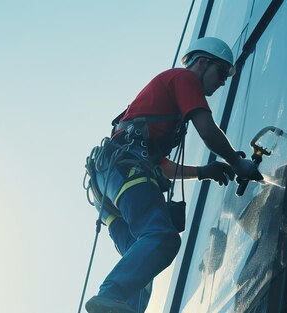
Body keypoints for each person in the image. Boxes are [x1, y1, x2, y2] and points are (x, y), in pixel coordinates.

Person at [84, 36, 263, 313]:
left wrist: (204, 171)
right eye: (221, 73)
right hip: (122, 169)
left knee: (144, 263)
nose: (222, 83)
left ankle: (116, 306)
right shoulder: (184, 79)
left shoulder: (162, 113)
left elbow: (162, 166)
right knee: (163, 238)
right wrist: (238, 164)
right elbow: (207, 130)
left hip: (109, 186)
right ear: (202, 63)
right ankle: (109, 296)